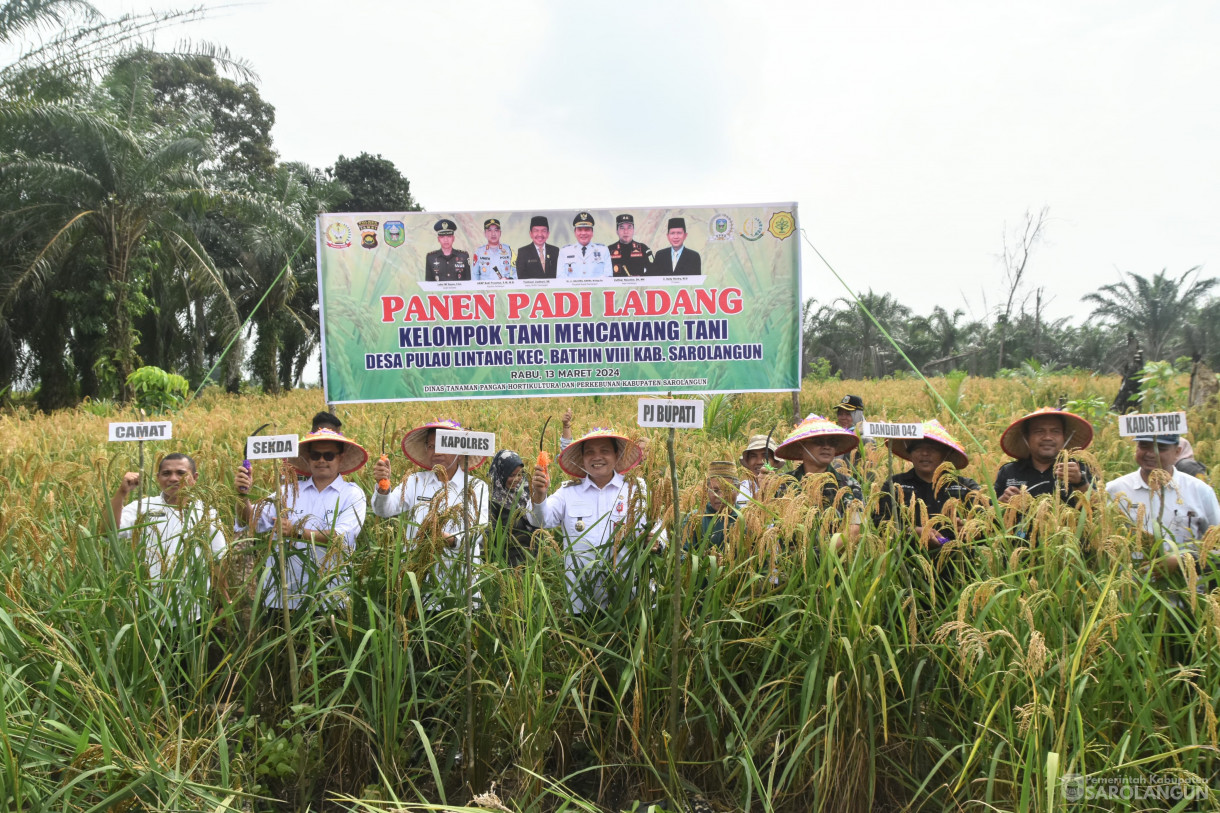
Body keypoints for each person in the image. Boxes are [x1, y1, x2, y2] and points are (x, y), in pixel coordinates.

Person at [528, 427, 664, 613]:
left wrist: (657, 541)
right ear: (582, 459)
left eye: (604, 451)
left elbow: (658, 526)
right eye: (590, 452)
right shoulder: (568, 492)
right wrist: (539, 494)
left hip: (629, 600)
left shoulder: (637, 488)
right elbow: (540, 521)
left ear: (617, 455)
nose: (597, 457)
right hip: (582, 601)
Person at [234, 428, 368, 611]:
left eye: (329, 455)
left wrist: (297, 531)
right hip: (282, 597)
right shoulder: (287, 491)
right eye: (315, 455)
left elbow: (342, 537)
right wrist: (242, 495)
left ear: (341, 458)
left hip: (328, 599)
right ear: (308, 458)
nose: (321, 460)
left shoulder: (352, 494)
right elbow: (251, 521)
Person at [370, 419, 489, 606]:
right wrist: (383, 487)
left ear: (459, 450)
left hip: (461, 589)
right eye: (431, 446)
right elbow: (385, 510)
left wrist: (451, 540)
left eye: (443, 444)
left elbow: (477, 531)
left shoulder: (476, 487)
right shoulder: (414, 481)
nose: (436, 452)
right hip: (420, 588)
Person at [109, 452, 227, 621]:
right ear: (158, 478)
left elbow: (219, 559)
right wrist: (121, 492)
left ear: (194, 477)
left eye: (181, 473)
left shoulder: (206, 513)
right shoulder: (143, 507)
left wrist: (223, 601)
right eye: (166, 473)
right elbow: (108, 531)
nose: (173, 478)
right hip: (147, 612)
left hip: (193, 613)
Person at [1106, 433, 1220, 580]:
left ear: (1177, 452)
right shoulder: (1115, 490)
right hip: (1130, 594)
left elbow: (1216, 546)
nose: (1151, 453)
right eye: (1144, 446)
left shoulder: (1200, 491)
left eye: (1161, 448)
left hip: (1187, 595)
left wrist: (1183, 560)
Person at [874, 420, 984, 550]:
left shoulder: (965, 487)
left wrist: (973, 530)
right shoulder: (895, 485)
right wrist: (911, 531)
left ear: (946, 453)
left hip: (958, 563)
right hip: (908, 562)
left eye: (932, 449)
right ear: (910, 453)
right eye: (918, 448)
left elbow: (988, 522)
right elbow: (879, 523)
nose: (925, 453)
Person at [773, 415, 864, 543]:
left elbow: (854, 528)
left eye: (832, 443)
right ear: (801, 447)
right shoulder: (783, 483)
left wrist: (821, 556)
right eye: (818, 442)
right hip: (790, 559)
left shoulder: (848, 485)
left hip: (834, 558)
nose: (827, 447)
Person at [487, 449, 535, 566]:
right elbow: (489, 538)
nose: (517, 479)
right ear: (501, 474)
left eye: (519, 474)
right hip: (508, 567)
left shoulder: (526, 494)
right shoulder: (492, 502)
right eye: (512, 475)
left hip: (532, 563)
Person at [683, 461, 740, 554]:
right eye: (715, 491)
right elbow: (681, 556)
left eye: (727, 490)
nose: (721, 496)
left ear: (738, 490)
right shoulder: (694, 519)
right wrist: (704, 560)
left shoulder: (746, 519)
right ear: (706, 491)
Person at [556, 212, 613, 279]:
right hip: (573, 289)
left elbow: (608, 276)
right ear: (575, 232)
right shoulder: (565, 251)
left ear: (592, 232)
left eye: (587, 230)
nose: (583, 233)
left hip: (596, 289)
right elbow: (560, 277)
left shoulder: (603, 250)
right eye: (580, 230)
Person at [735, 433, 782, 508]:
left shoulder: (786, 489)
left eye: (765, 456)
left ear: (775, 462)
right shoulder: (738, 490)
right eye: (753, 456)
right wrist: (761, 493)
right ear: (748, 461)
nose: (759, 461)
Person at [833, 395, 874, 466]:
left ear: (858, 415)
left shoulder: (865, 438)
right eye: (840, 414)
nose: (843, 418)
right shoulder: (839, 434)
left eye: (848, 414)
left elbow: (869, 470)